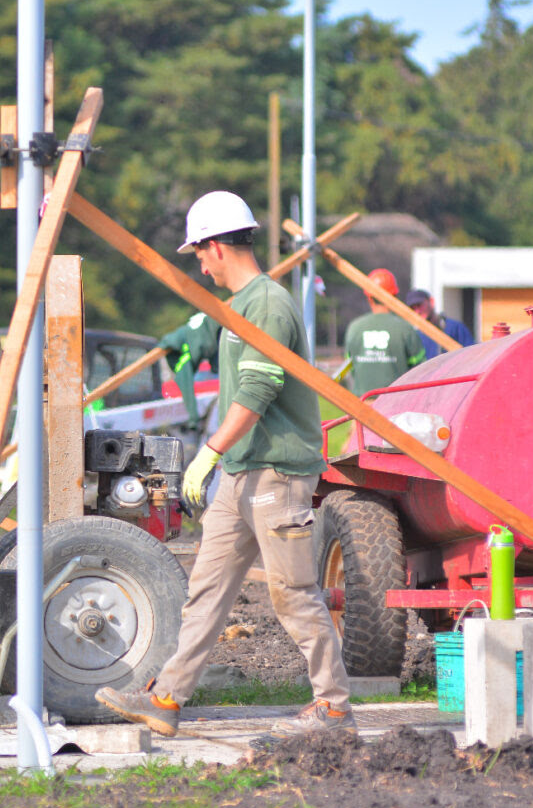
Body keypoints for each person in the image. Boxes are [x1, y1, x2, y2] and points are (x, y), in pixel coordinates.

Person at [95, 190, 354, 738]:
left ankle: (333, 707)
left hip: (277, 471)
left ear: (216, 247)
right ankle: (166, 699)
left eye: (199, 254)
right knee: (207, 591)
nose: (200, 265)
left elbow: (259, 390)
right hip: (241, 471)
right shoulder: (235, 308)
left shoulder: (267, 303)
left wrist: (208, 451)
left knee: (292, 593)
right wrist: (222, 458)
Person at [342, 268, 426, 396]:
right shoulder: (405, 329)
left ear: (369, 297)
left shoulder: (354, 328)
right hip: (396, 405)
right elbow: (421, 370)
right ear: (394, 296)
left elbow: (349, 366)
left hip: (361, 405)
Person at [405, 288, 475, 360]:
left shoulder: (454, 328)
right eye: (413, 308)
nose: (417, 311)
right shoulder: (415, 336)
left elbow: (473, 356)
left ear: (431, 302)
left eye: (419, 305)